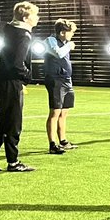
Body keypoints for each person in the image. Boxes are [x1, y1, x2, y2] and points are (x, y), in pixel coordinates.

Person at [0, 1, 38, 173]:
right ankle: (13, 162)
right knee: (13, 123)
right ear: (26, 17)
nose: (37, 18)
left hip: (4, 80)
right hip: (11, 82)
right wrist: (27, 77)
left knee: (5, 122)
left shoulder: (11, 31)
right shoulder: (23, 35)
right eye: (35, 15)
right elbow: (17, 64)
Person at [43, 19, 78, 154]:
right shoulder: (50, 40)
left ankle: (63, 140)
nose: (72, 35)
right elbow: (57, 53)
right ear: (63, 32)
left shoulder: (65, 43)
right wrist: (69, 46)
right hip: (55, 80)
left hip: (66, 79)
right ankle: (52, 144)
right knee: (55, 112)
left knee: (64, 112)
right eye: (71, 32)